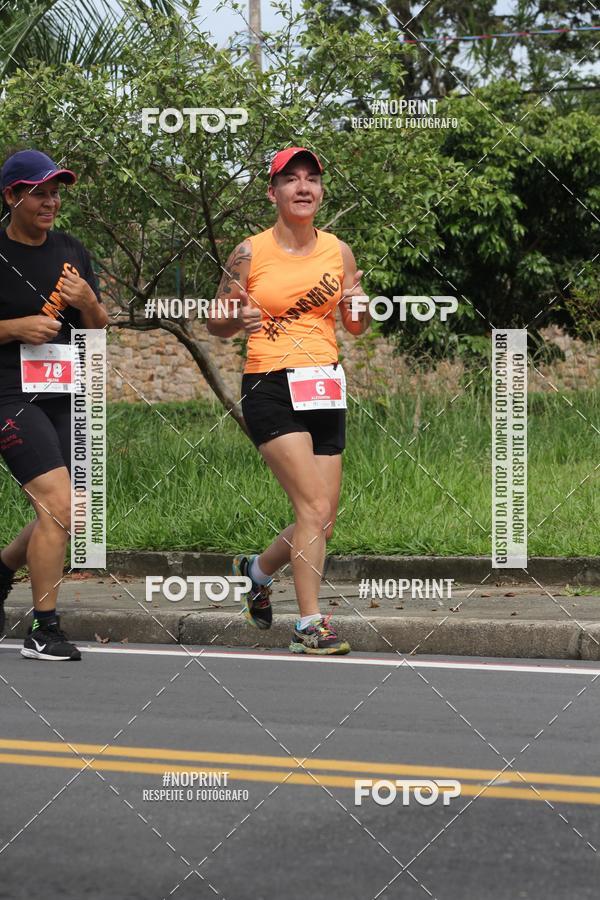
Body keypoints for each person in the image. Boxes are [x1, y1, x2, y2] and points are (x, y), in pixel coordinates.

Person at [207, 146, 370, 655]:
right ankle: (309, 625)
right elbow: (215, 322)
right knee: (312, 505)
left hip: (324, 382)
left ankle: (256, 571)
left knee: (322, 517)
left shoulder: (338, 251)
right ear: (272, 192)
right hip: (270, 383)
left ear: (321, 191)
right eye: (291, 179)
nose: (304, 187)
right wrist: (239, 320)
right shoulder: (249, 252)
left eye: (312, 179)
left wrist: (358, 305)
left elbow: (356, 327)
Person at [0, 149, 108, 660]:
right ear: (12, 196)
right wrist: (13, 329)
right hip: (8, 395)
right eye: (38, 192)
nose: (49, 201)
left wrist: (87, 300)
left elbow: (99, 330)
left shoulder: (71, 250)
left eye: (55, 191)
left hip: (65, 392)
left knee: (74, 511)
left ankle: (3, 568)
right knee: (58, 505)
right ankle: (44, 629)